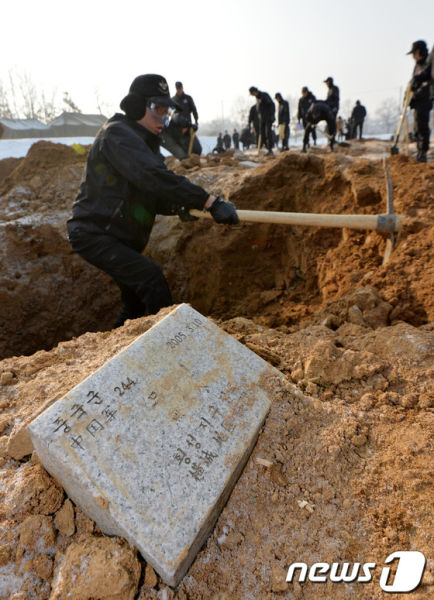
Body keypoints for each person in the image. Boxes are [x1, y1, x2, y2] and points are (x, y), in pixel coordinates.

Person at [67, 74, 238, 328]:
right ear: (136, 108)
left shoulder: (144, 142)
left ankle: (116, 353)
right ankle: (175, 340)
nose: (164, 119)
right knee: (151, 278)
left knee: (135, 304)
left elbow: (149, 194)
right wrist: (208, 201)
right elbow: (154, 177)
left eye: (166, 112)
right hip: (96, 233)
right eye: (158, 110)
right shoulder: (117, 135)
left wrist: (179, 207)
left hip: (116, 234)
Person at [407, 40, 432, 162]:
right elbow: (414, 82)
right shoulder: (417, 66)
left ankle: (423, 151)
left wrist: (417, 94)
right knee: (417, 126)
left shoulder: (428, 63)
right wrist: (408, 96)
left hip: (425, 99)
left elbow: (429, 84)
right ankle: (419, 149)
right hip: (417, 100)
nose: (413, 57)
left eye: (414, 54)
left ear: (419, 52)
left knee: (422, 125)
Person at [249, 86, 275, 154]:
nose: (252, 95)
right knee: (261, 133)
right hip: (262, 119)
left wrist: (272, 116)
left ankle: (270, 149)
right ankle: (260, 148)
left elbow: (272, 105)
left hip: (268, 118)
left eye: (252, 94)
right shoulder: (257, 98)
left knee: (268, 132)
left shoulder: (264, 95)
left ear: (255, 92)